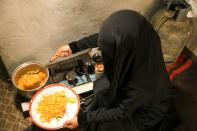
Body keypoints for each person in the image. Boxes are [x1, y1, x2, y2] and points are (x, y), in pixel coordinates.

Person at [50, 10, 175, 131]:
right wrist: (73, 47)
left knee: (106, 125)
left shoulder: (142, 82)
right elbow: (110, 37)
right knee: (100, 88)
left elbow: (121, 111)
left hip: (141, 113)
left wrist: (83, 119)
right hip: (134, 95)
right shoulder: (141, 38)